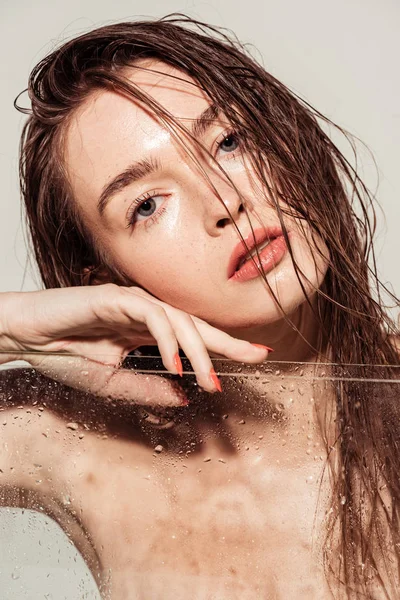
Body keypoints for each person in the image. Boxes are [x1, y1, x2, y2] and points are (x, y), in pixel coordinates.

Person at [0, 14, 399, 599]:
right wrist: (10, 327)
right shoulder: (66, 437)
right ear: (109, 279)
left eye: (229, 141)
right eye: (146, 205)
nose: (224, 200)